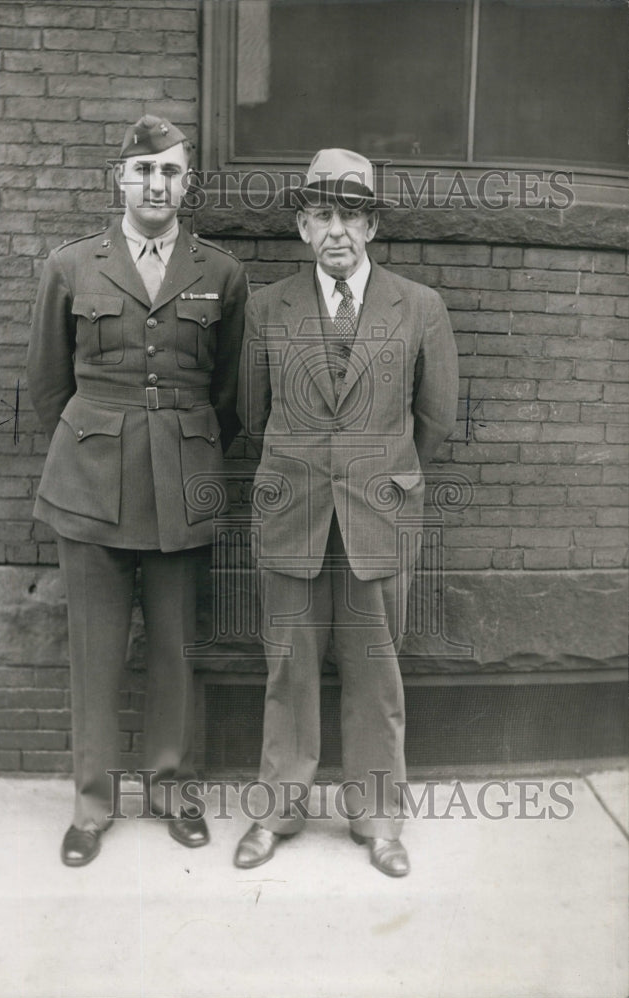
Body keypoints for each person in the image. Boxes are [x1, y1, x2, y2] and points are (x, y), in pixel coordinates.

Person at [28, 115, 248, 866]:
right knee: (94, 654)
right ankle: (91, 805)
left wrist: (179, 440)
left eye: (171, 171)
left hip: (183, 484)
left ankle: (173, 791)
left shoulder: (220, 272)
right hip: (89, 484)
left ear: (188, 184)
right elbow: (48, 384)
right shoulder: (70, 266)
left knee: (176, 652)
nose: (157, 183)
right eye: (143, 170)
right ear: (118, 179)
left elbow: (228, 393)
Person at [234, 148, 459, 876]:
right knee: (287, 669)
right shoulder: (267, 307)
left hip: (376, 514)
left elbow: (434, 420)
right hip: (290, 512)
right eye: (323, 215)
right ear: (301, 225)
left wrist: (377, 470)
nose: (337, 231)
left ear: (371, 227)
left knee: (374, 673)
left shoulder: (418, 307)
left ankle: (379, 821)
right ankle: (276, 813)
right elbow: (250, 410)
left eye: (351, 215)